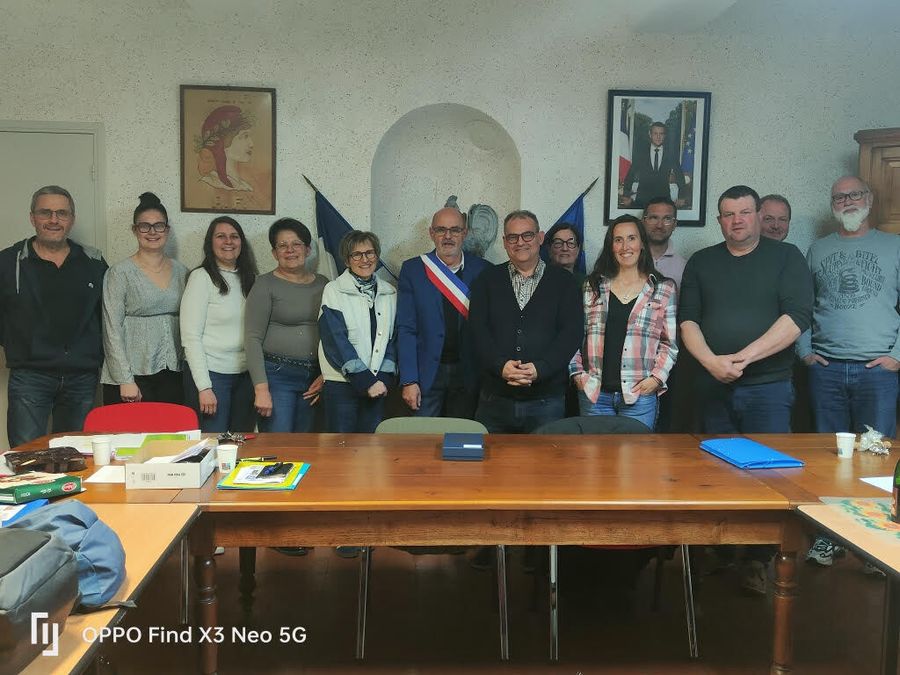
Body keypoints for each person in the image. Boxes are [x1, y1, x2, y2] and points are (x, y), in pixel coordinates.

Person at [679, 185, 813, 593]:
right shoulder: (702, 262)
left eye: (744, 212)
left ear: (757, 215)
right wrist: (711, 362)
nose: (736, 220)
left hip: (768, 387)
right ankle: (721, 553)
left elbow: (797, 317)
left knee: (769, 477)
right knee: (716, 475)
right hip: (712, 385)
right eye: (728, 214)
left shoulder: (786, 257)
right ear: (719, 220)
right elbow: (688, 320)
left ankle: (758, 561)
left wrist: (743, 358)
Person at [797, 177, 900, 567]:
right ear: (832, 204)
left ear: (869, 200)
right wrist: (805, 352)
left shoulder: (894, 246)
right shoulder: (818, 249)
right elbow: (801, 307)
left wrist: (897, 356)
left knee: (877, 460)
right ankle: (829, 538)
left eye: (854, 194)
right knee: (829, 462)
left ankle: (876, 547)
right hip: (826, 370)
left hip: (879, 373)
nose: (847, 201)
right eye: (839, 197)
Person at [0, 186, 107, 446]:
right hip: (30, 376)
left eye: (62, 213)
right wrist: (19, 345)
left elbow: (106, 315)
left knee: (75, 456)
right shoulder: (9, 261)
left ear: (72, 219)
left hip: (82, 377)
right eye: (45, 212)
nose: (54, 220)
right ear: (32, 217)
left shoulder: (93, 261)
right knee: (26, 455)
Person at [468, 210, 583, 433]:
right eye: (513, 237)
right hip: (495, 399)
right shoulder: (487, 280)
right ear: (505, 242)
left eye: (527, 235)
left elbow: (571, 333)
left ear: (540, 238)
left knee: (546, 457)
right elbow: (477, 330)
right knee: (490, 457)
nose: (520, 242)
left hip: (547, 401)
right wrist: (500, 366)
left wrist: (541, 368)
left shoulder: (565, 282)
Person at [570, 215, 677, 430]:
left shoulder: (663, 288)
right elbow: (573, 335)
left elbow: (669, 344)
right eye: (618, 240)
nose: (625, 246)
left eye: (631, 238)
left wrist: (656, 379)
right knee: (594, 453)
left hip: (639, 396)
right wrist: (577, 373)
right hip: (595, 394)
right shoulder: (592, 286)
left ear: (642, 244)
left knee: (636, 453)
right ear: (611, 246)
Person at [397, 206, 488, 418]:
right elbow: (406, 328)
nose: (448, 236)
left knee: (462, 435)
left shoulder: (484, 270)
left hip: (469, 374)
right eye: (441, 230)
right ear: (431, 233)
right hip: (426, 373)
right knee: (424, 436)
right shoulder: (413, 270)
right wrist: (409, 380)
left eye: (455, 230)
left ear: (465, 233)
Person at [101, 192, 188, 404]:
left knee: (171, 426)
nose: (152, 232)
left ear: (167, 230)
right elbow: (111, 329)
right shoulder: (119, 273)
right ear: (134, 230)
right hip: (132, 376)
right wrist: (125, 379)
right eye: (144, 226)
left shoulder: (182, 272)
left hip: (172, 371)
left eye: (159, 225)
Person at [245, 219, 327, 432]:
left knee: (306, 445)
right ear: (274, 253)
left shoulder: (324, 284)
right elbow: (252, 339)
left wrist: (326, 375)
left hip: (314, 378)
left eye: (296, 244)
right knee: (278, 444)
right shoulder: (264, 284)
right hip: (277, 377)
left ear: (308, 249)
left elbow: (334, 334)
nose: (290, 250)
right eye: (282, 245)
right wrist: (261, 390)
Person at [181, 216, 258, 432]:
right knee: (213, 443)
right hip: (212, 375)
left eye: (234, 236)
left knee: (241, 442)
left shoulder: (251, 279)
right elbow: (191, 337)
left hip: (245, 376)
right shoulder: (201, 278)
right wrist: (204, 387)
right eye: (221, 236)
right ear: (210, 242)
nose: (228, 241)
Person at [318, 231, 397, 433]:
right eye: (356, 255)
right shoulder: (333, 290)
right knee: (341, 446)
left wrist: (383, 378)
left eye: (370, 253)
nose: (365, 259)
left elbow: (393, 339)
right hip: (342, 383)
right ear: (346, 260)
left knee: (372, 446)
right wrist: (365, 380)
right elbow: (335, 339)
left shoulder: (390, 292)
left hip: (378, 383)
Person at [620, 122, 687, 209]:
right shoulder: (641, 153)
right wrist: (626, 196)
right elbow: (631, 174)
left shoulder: (671, 154)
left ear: (665, 135)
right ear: (650, 134)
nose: (658, 137)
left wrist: (681, 197)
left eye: (661, 134)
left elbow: (679, 176)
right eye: (655, 133)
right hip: (642, 201)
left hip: (664, 200)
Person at [642, 197, 687, 291]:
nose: (659, 225)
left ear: (674, 224)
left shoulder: (684, 267)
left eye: (667, 219)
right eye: (654, 218)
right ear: (643, 222)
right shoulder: (628, 260)